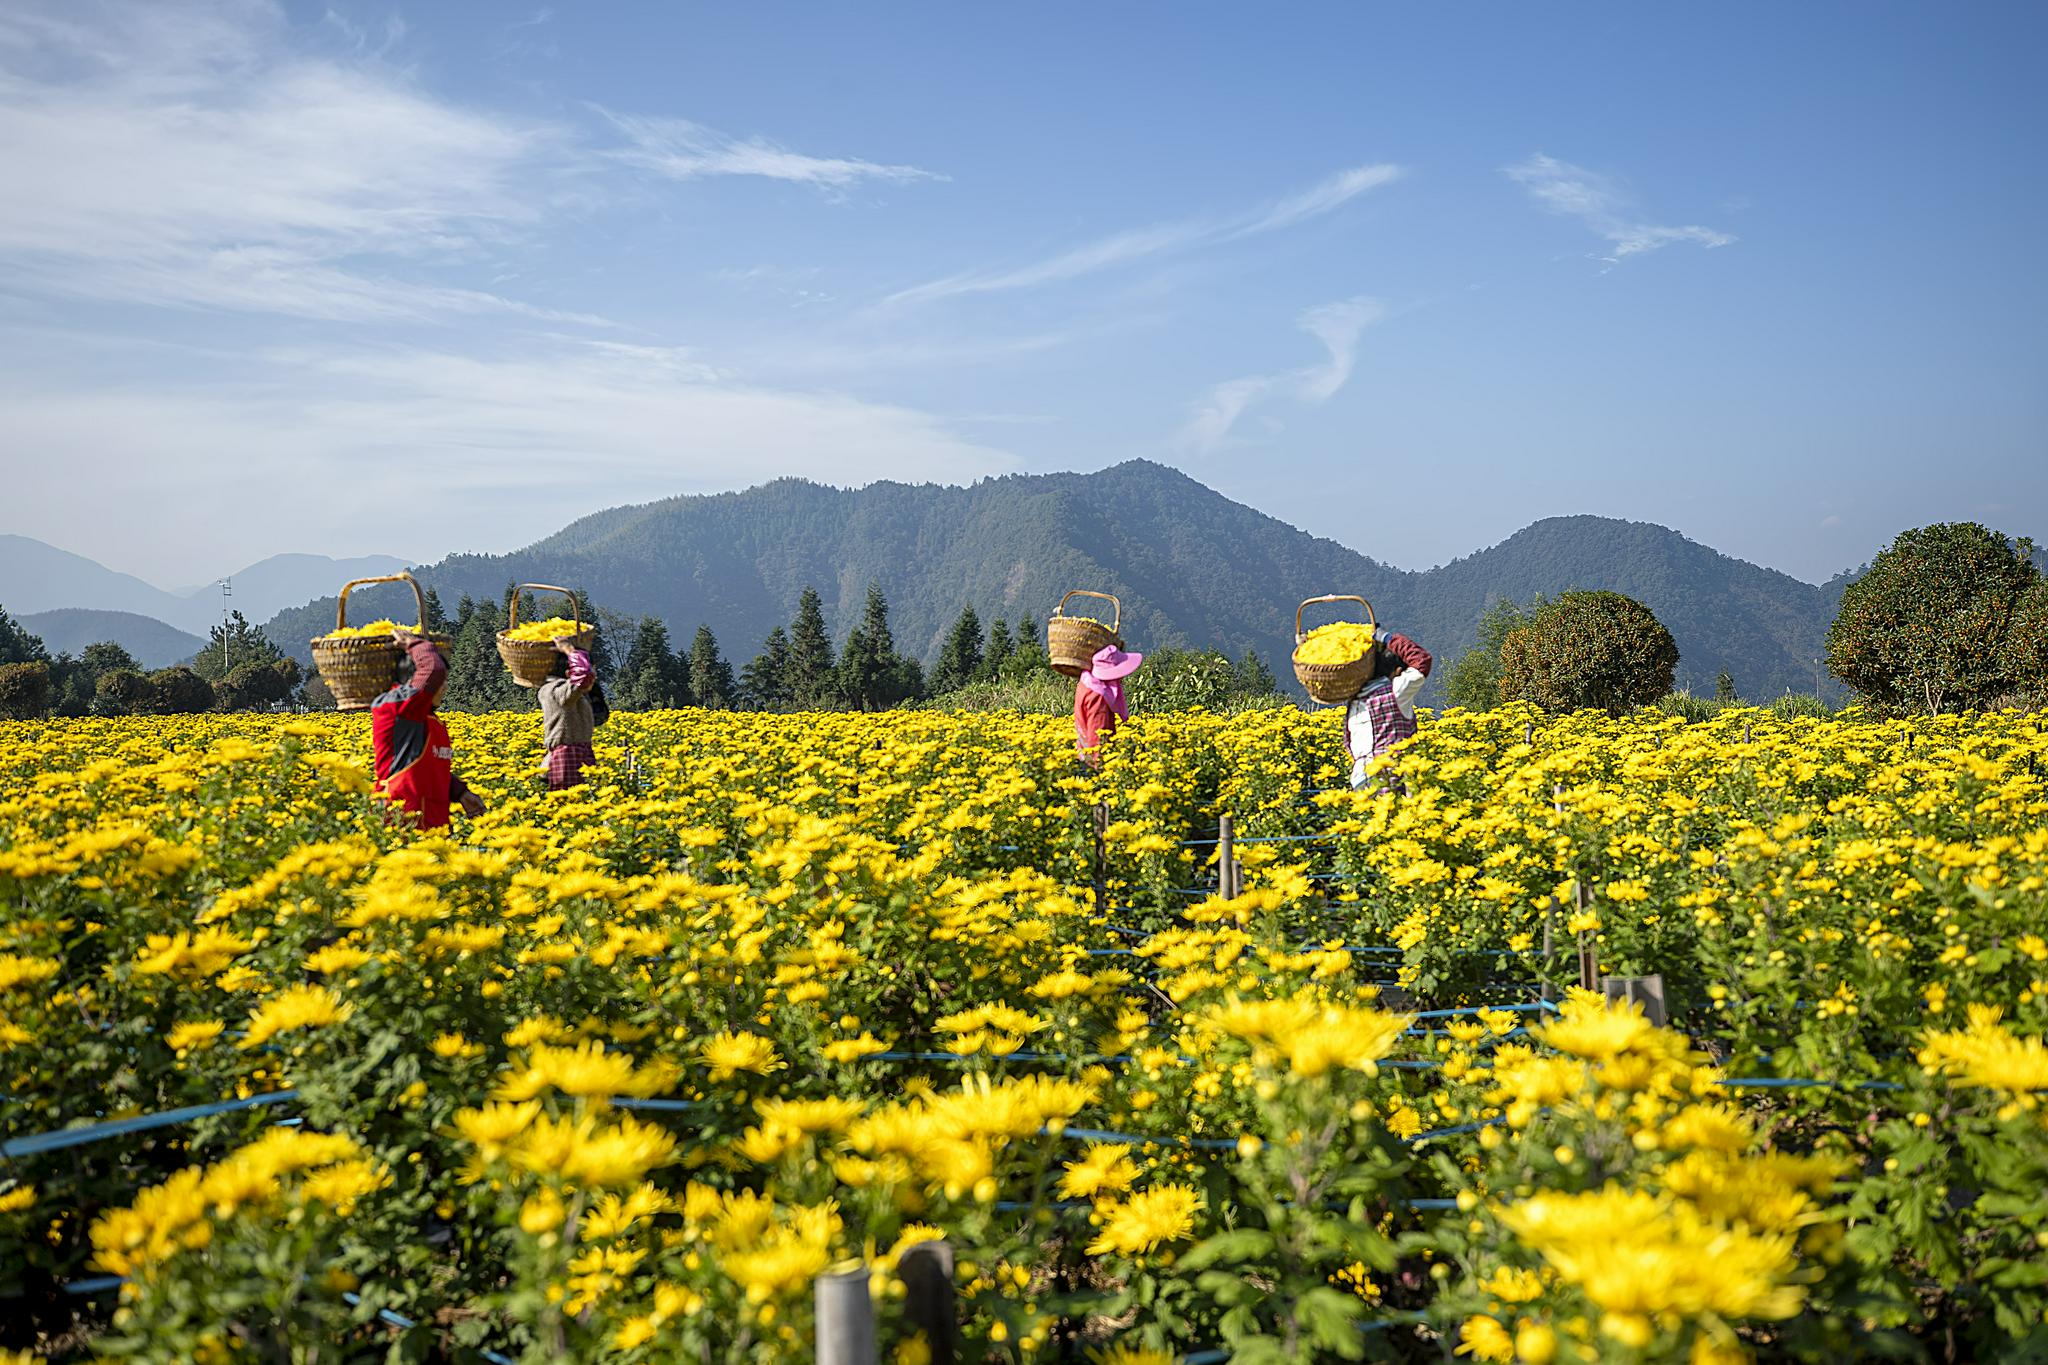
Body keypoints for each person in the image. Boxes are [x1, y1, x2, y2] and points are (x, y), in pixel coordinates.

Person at [373, 629, 486, 830]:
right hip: (401, 823)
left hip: (432, 825)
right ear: (412, 680)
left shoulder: (430, 719)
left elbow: (428, 773)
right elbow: (434, 670)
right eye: (441, 682)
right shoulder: (397, 706)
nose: (443, 687)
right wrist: (416, 644)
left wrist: (460, 793)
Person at [1345, 630, 1433, 791]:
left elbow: (1349, 742)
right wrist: (1386, 637)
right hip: (1391, 776)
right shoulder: (1396, 690)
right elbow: (1421, 660)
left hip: (1360, 779)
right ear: (1398, 671)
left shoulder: (1355, 699)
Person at [537, 635, 603, 790]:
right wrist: (569, 650)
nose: (593, 676)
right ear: (569, 673)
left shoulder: (573, 695)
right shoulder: (555, 691)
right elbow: (583, 675)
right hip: (567, 758)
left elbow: (601, 715)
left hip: (578, 755)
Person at [1075, 643, 1143, 767]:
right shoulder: (1098, 696)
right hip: (1094, 762)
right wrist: (1101, 767)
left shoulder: (1086, 682)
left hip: (1082, 753)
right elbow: (1098, 737)